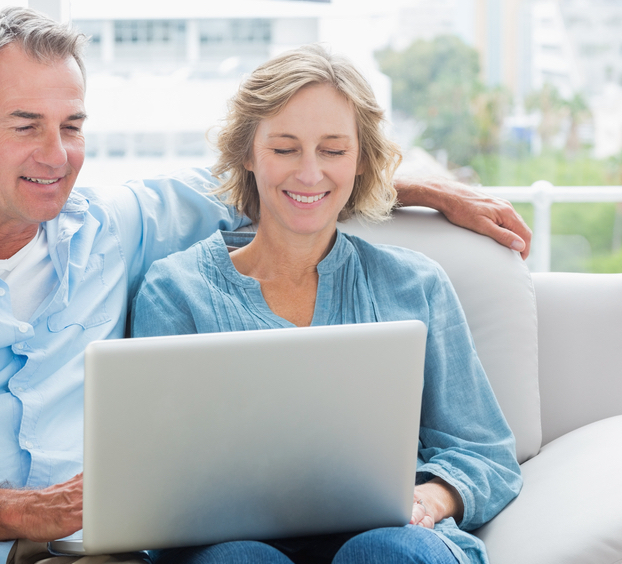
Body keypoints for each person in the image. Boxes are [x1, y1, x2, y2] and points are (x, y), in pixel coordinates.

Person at [0, 8, 529, 564]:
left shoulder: (108, 228)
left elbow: (289, 184)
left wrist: (425, 191)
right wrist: (17, 511)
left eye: (72, 126)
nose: (56, 156)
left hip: (86, 550)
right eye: (26, 125)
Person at [129, 45, 522, 564]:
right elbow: (155, 478)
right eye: (285, 148)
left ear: (360, 159)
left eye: (334, 150)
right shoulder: (176, 292)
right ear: (248, 152)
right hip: (231, 547)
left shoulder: (415, 285)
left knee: (388, 552)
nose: (310, 174)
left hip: (390, 537)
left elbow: (486, 453)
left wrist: (430, 497)